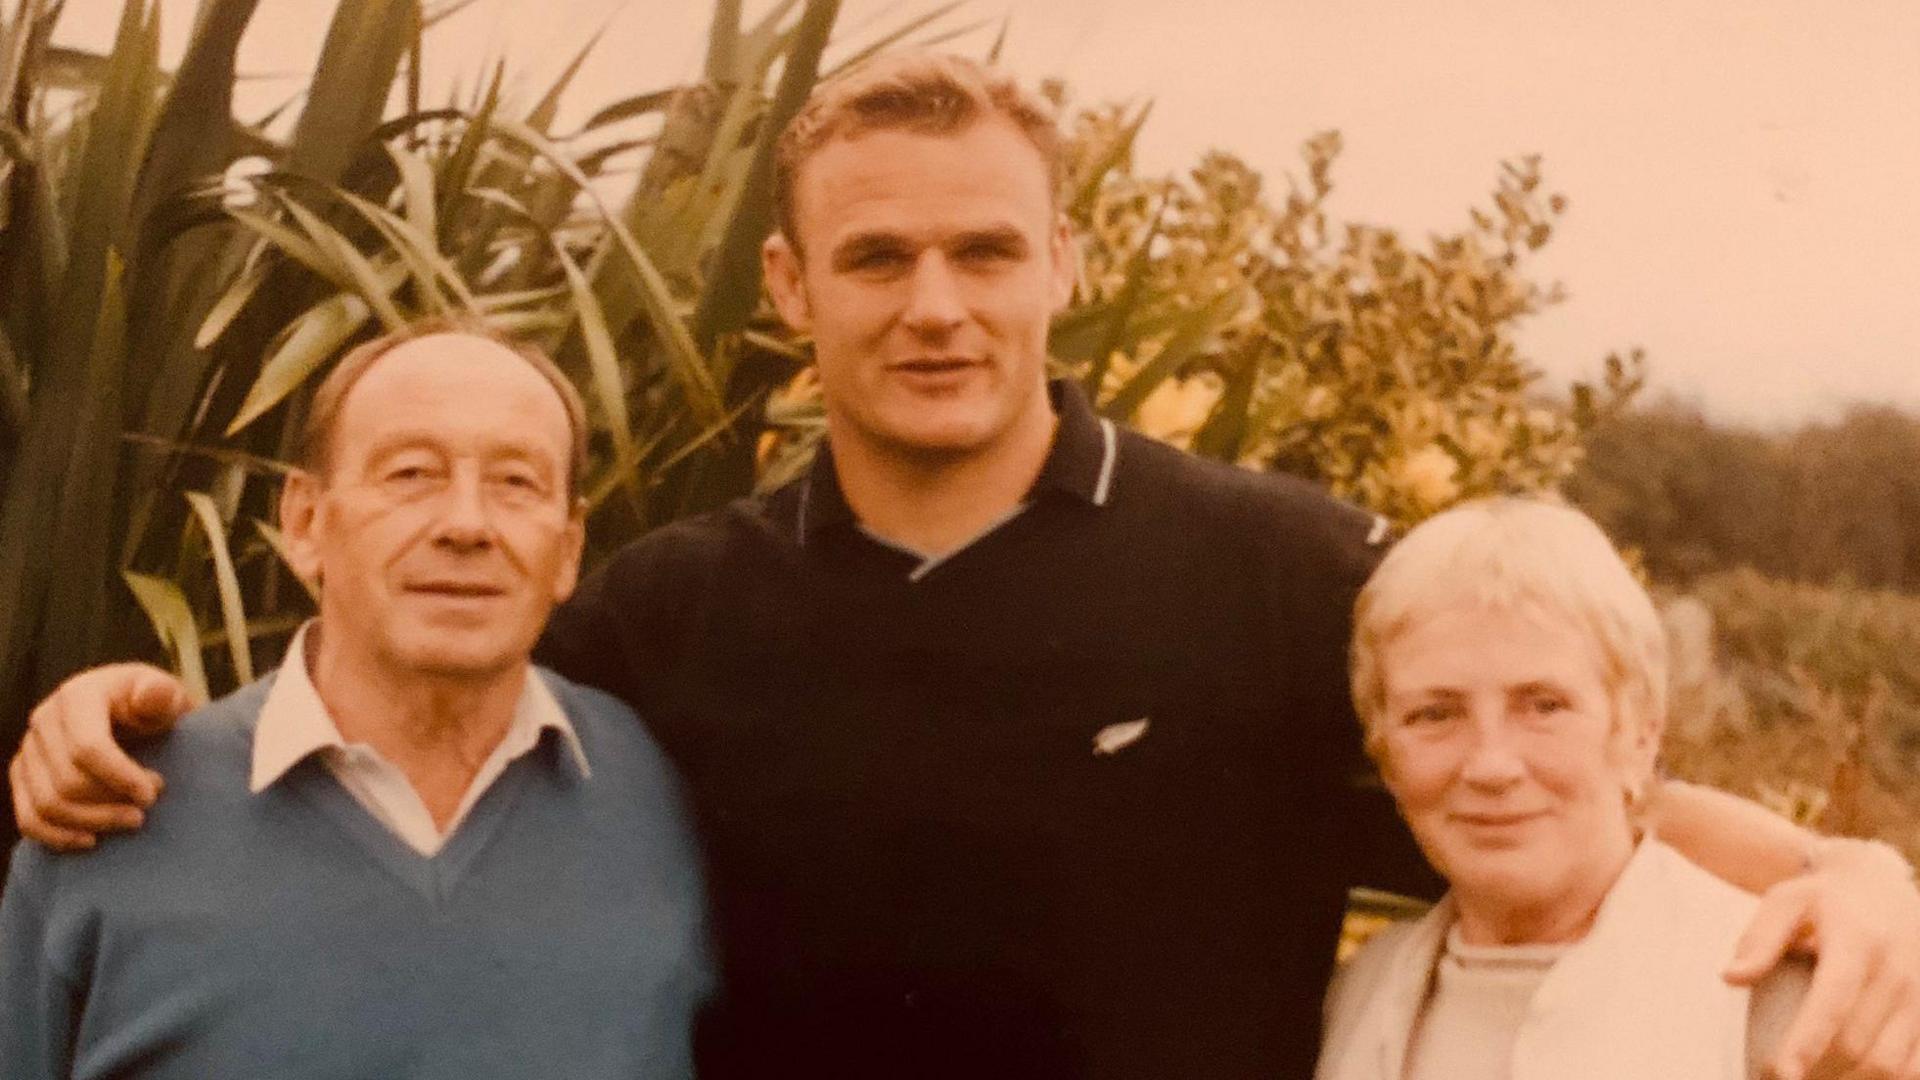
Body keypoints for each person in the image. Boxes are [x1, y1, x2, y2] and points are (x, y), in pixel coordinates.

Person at [10, 53, 1920, 1080]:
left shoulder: (1272, 567)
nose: (936, 306)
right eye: (876, 259)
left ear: (1063, 264)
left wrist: (1846, 865)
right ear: (789, 288)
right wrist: (123, 711)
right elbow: (413, 691)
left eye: (986, 253)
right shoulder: (676, 607)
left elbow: (1541, 777)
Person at [0, 326, 711, 1079]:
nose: (467, 524)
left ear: (567, 550)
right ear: (305, 523)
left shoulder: (661, 792)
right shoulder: (110, 816)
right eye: (411, 474)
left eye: (516, 483)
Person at [1318, 498, 1832, 1079]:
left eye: (1544, 706)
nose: (1491, 765)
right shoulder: (1359, 993)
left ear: (1641, 731)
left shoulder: (1783, 999)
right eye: (1434, 714)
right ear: (1385, 753)